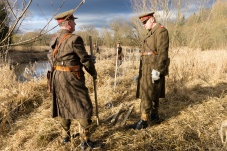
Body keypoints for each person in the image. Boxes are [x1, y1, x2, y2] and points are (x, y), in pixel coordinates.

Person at [47, 9, 98, 150]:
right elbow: (84, 60)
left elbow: (50, 56)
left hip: (57, 76)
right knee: (84, 105)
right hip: (72, 77)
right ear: (68, 23)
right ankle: (85, 141)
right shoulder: (75, 39)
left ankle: (65, 136)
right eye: (73, 21)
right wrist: (93, 72)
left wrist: (59, 65)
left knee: (63, 104)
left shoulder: (54, 38)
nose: (75, 23)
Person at [129, 12, 169, 130]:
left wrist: (158, 70)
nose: (143, 25)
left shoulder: (161, 31)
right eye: (142, 23)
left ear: (152, 19)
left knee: (147, 93)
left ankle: (144, 120)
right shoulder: (151, 33)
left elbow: (162, 53)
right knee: (153, 91)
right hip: (147, 67)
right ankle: (154, 115)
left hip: (153, 67)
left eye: (145, 22)